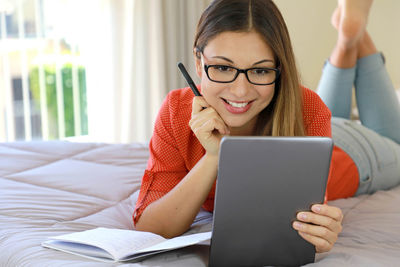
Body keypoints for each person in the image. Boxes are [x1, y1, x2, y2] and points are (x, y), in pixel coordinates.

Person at [132, 0, 392, 253]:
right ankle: (349, 37)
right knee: (324, 107)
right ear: (198, 62)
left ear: (279, 68)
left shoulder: (310, 110)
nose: (240, 91)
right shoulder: (177, 109)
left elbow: (300, 224)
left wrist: (319, 229)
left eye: (260, 71)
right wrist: (214, 155)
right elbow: (149, 228)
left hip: (358, 155)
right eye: (223, 67)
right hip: (322, 121)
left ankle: (351, 37)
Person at [317, 0, 400, 199]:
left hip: (348, 157)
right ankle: (349, 38)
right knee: (325, 123)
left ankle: (351, 32)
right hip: (314, 131)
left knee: (396, 145)